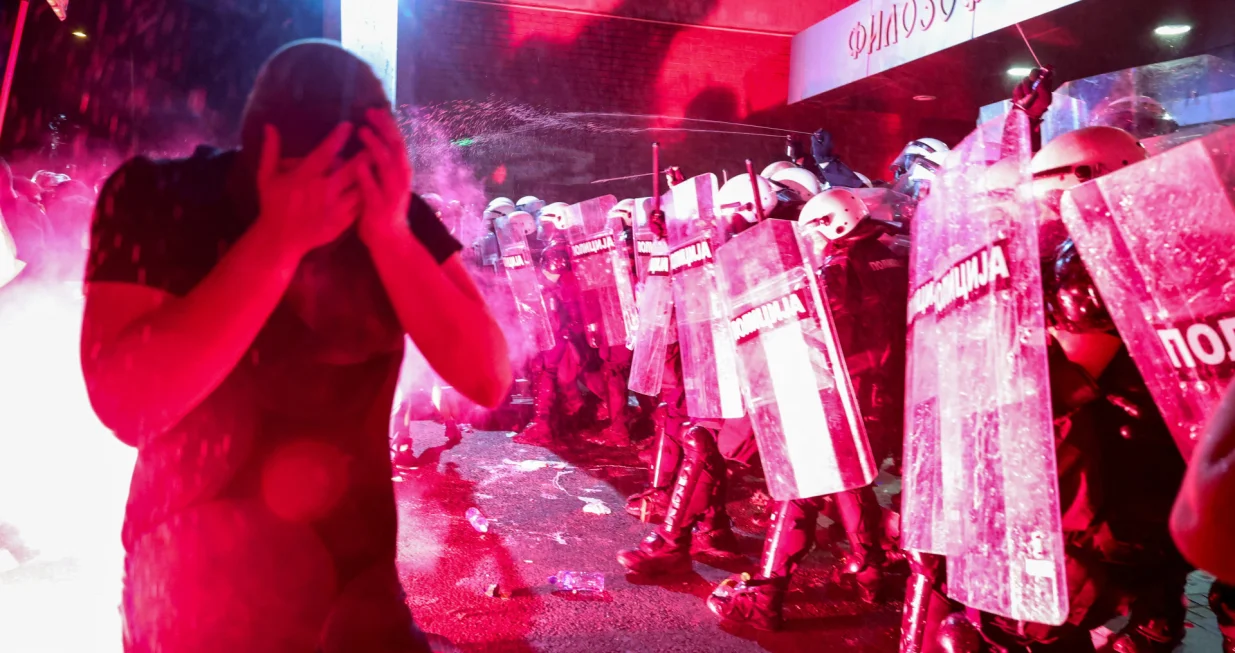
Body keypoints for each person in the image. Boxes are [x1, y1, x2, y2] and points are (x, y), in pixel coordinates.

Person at [81, 40, 510, 653]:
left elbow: (487, 376)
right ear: (260, 150)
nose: (333, 196)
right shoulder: (158, 196)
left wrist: (389, 236)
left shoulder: (388, 209)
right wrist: (277, 243)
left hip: (354, 589)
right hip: (190, 590)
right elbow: (127, 404)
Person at [706, 188, 909, 630]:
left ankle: (765, 596)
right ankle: (867, 568)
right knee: (849, 480)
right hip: (889, 396)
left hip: (850, 392)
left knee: (802, 483)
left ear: (834, 224)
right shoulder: (893, 253)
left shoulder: (840, 268)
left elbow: (826, 333)